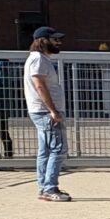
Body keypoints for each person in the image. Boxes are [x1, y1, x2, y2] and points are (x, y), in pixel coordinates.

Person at [24, 25, 70, 202]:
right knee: (58, 149)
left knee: (45, 150)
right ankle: (50, 188)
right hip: (45, 112)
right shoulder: (38, 60)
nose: (58, 42)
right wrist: (53, 110)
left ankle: (44, 187)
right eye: (55, 39)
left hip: (42, 111)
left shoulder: (39, 59)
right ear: (43, 41)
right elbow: (39, 85)